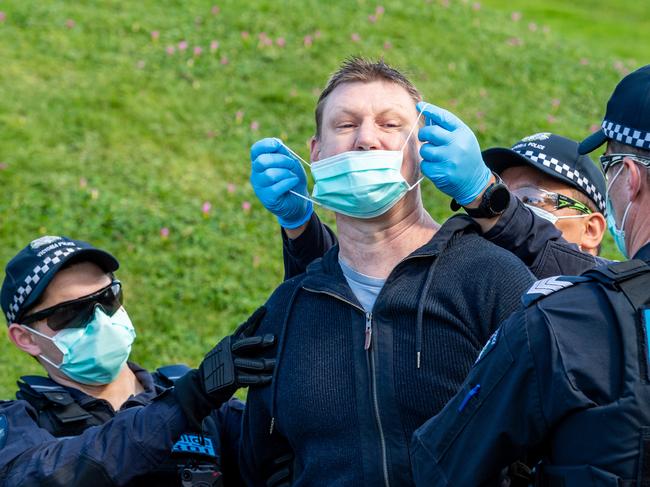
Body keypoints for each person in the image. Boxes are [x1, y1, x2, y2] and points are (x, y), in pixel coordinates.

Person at [242, 57, 535, 485]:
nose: (366, 139)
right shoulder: (287, 308)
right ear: (315, 154)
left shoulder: (492, 280)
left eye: (390, 125)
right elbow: (263, 462)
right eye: (345, 125)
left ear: (421, 151)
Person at [410, 64, 650, 486]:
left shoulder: (567, 319)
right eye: (512, 192)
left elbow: (444, 465)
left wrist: (489, 198)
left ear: (629, 178)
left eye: (534, 199)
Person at [0, 235, 276, 487]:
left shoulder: (201, 402)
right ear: (26, 338)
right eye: (71, 312)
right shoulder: (17, 427)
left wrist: (300, 237)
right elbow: (50, 476)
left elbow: (296, 448)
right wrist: (186, 402)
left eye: (108, 298)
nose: (101, 320)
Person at [257, 128, 609, 281]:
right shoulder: (470, 282)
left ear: (591, 228)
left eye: (529, 199)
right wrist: (301, 227)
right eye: (502, 192)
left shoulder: (616, 302)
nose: (504, 211)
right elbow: (365, 289)